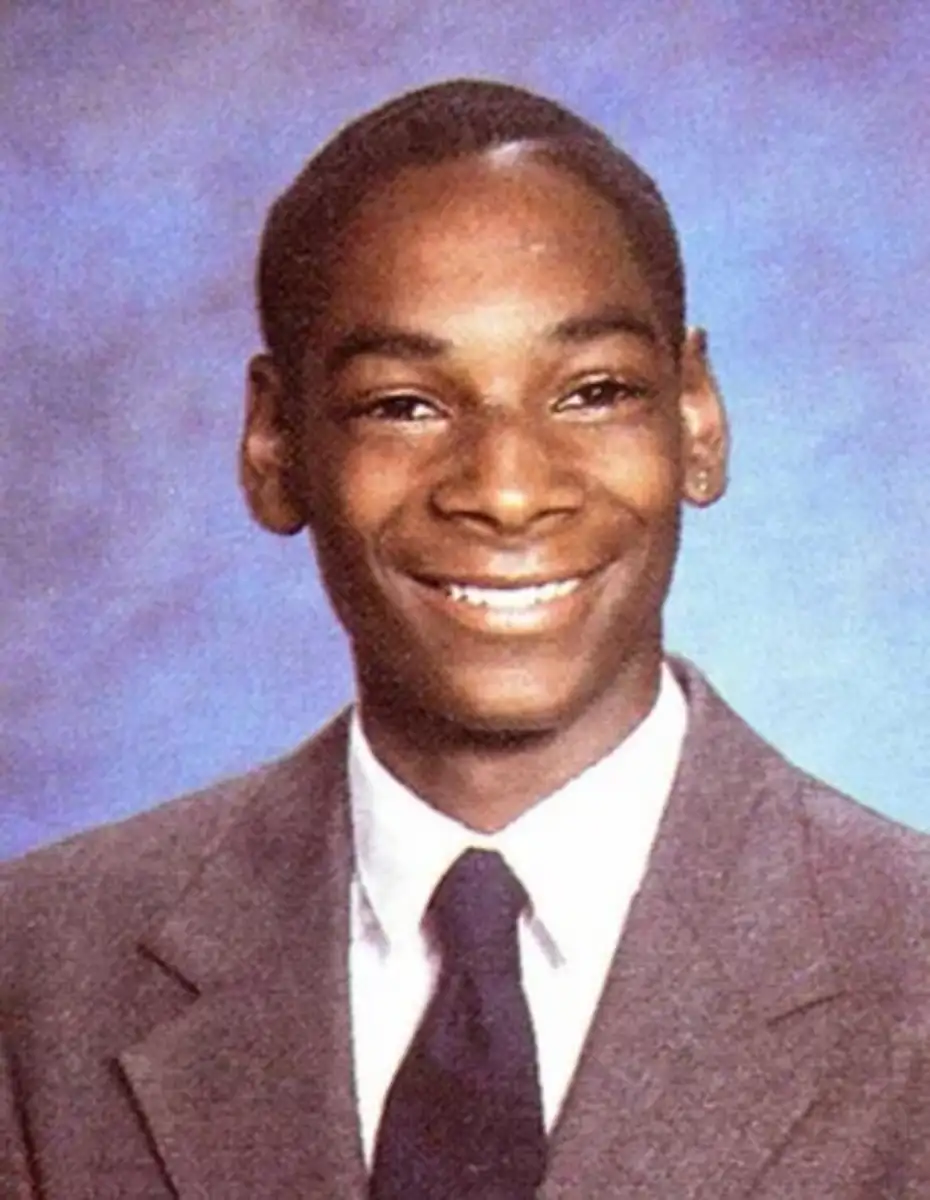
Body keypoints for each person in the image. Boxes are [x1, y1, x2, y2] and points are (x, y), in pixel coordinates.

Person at [2, 79, 929, 1200]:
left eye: (592, 392)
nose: (505, 490)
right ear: (273, 443)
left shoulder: (904, 966)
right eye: (405, 404)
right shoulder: (40, 974)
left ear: (696, 418)